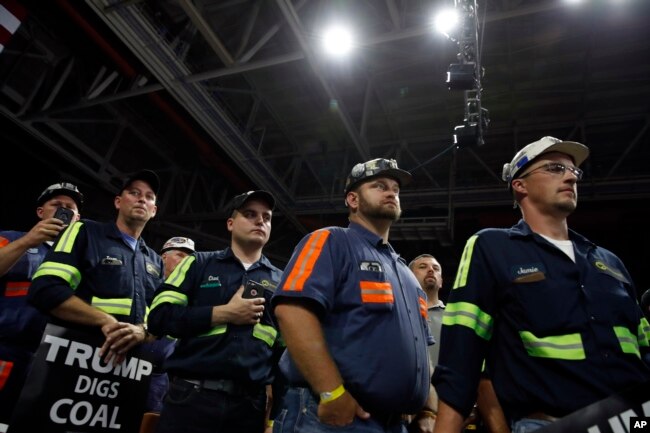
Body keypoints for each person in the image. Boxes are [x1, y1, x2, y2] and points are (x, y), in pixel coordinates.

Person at [432, 136, 650, 433]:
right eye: (555, 168)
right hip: (554, 422)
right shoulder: (492, 247)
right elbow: (461, 355)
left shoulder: (610, 262)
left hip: (636, 420)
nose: (571, 176)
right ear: (519, 185)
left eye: (574, 171)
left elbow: (644, 347)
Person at [272, 158, 436, 433]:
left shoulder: (406, 273)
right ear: (353, 199)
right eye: (380, 186)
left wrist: (428, 407)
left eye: (395, 188)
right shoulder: (330, 240)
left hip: (395, 423)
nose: (391, 192)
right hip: (335, 418)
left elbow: (422, 352)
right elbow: (291, 311)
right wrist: (332, 393)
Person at [148, 190, 283, 433]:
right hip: (191, 399)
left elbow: (283, 351)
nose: (260, 221)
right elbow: (159, 317)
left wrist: (273, 418)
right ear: (230, 223)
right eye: (250, 214)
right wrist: (224, 313)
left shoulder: (282, 282)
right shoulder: (197, 263)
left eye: (266, 217)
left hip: (249, 409)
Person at [28, 169, 163, 365]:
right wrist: (105, 320)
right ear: (118, 202)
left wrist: (143, 332)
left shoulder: (155, 261)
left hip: (129, 368)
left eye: (149, 197)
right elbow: (45, 289)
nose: (142, 199)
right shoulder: (83, 231)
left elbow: (161, 317)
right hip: (73, 356)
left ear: (154, 211)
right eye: (134, 193)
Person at [0, 182, 83, 429]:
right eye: (56, 205)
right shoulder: (11, 238)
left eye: (70, 208)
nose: (63, 210)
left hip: (53, 361)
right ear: (40, 212)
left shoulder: (82, 258)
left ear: (78, 219)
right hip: (6, 351)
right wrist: (28, 241)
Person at [144, 236, 196, 416]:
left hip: (161, 376)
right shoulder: (145, 279)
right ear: (163, 257)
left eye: (188, 259)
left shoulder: (189, 295)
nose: (185, 262)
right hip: (130, 361)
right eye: (180, 255)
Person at [409, 254, 445, 367]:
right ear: (408, 278)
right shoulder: (400, 316)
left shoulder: (454, 319)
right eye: (423, 267)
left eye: (436, 268)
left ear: (441, 282)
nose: (430, 270)